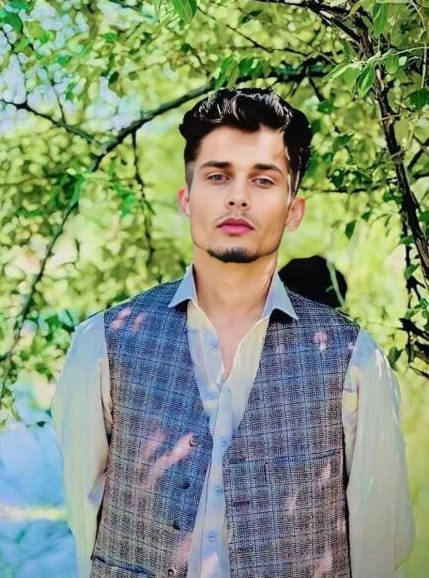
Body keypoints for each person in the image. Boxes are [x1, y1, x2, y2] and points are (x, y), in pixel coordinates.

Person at [50, 88, 415, 577]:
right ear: (188, 199)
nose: (238, 196)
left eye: (263, 180)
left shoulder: (355, 360)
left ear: (293, 210)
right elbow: (85, 523)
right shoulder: (102, 344)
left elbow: (379, 550)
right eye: (218, 176)